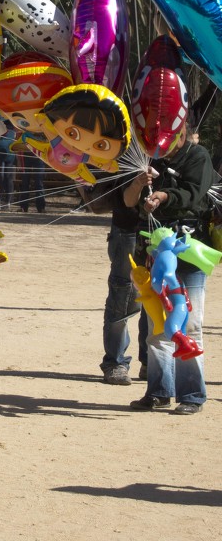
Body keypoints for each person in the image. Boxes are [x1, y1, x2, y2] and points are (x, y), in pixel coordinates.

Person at [125, 125, 216, 414]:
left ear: (182, 131)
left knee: (189, 325)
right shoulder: (153, 161)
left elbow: (192, 194)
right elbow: (134, 205)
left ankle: (192, 395)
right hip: (155, 253)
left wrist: (164, 196)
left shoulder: (198, 156)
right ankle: (159, 391)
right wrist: (141, 185)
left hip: (188, 252)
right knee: (156, 326)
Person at [85, 174, 149, 385]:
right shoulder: (125, 146)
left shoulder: (180, 155)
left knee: (157, 298)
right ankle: (115, 362)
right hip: (128, 230)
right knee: (123, 296)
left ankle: (152, 361)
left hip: (162, 232)